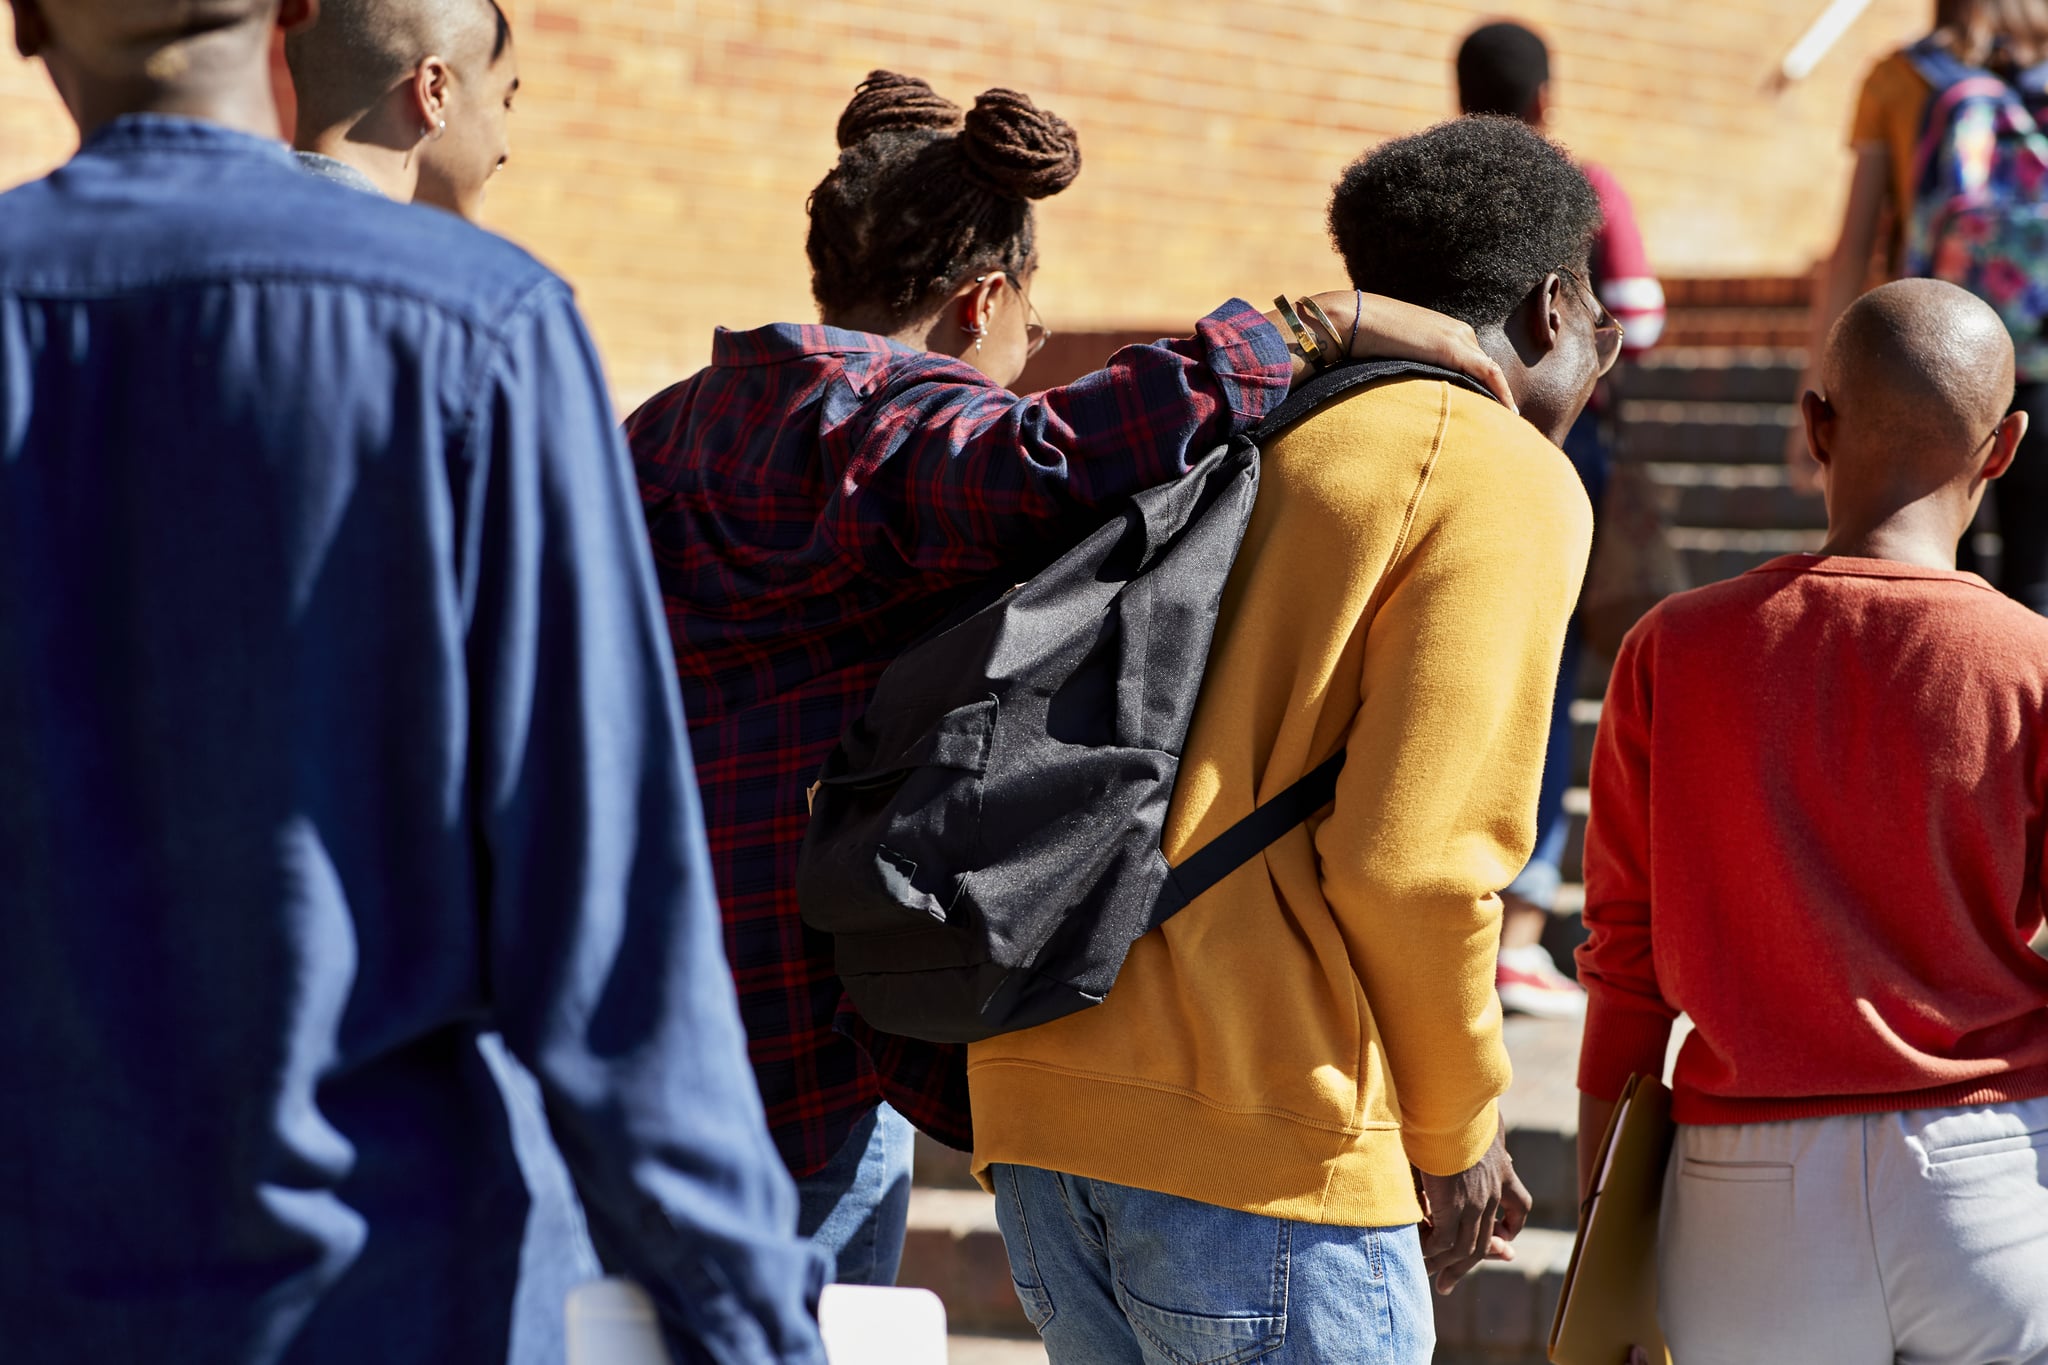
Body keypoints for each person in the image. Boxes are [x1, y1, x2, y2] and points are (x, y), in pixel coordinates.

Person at [0, 3, 826, 1363]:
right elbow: (608, 923)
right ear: (294, 15)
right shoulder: (476, 330)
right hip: (381, 1292)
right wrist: (744, 1320)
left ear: (30, 24)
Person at [624, 69, 1521, 1288]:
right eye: (1030, 307)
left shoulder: (668, 424)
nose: (1032, 338)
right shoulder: (888, 427)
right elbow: (1051, 458)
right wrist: (1304, 329)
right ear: (979, 295)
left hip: (642, 985)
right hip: (809, 1030)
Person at [968, 115, 1605, 1363]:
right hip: (1261, 1137)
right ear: (1554, 304)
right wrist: (1460, 1131)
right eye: (1601, 327)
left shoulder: (1237, 418)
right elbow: (1409, 867)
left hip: (1040, 1109)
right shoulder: (1498, 474)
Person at [1578, 278, 2048, 1363]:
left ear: (1812, 422)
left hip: (1746, 1195)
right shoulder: (2030, 664)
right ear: (2004, 446)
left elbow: (1621, 964)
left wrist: (1608, 1238)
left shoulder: (1671, 650)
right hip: (1988, 1171)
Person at [1455, 17, 1665, 1019]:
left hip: (1438, 436)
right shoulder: (1581, 187)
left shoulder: (1430, 187)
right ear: (1543, 99)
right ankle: (1518, 936)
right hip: (1554, 447)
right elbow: (1642, 312)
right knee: (1538, 680)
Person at [1797, 0, 2048, 614]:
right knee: (2037, 573)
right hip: (2040, 359)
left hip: (1928, 363)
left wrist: (1816, 376)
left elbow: (1854, 244)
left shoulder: (1900, 76)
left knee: (1933, 567)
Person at [284, 0, 516, 217]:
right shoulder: (457, 258)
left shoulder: (253, 216)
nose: (505, 151)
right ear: (433, 93)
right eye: (505, 102)